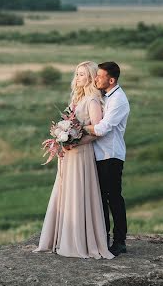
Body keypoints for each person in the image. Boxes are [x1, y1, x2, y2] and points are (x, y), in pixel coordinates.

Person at [34, 61, 114, 259]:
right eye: (76, 74)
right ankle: (60, 237)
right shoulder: (76, 99)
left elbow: (97, 131)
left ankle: (77, 241)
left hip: (81, 155)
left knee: (78, 193)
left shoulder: (93, 101)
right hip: (68, 155)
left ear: (90, 78)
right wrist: (62, 135)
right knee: (65, 192)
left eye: (81, 75)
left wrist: (75, 142)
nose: (77, 78)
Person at [85, 61, 130, 256]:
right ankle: (103, 239)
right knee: (101, 198)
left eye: (100, 76)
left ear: (111, 80)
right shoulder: (105, 96)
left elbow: (102, 129)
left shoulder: (119, 99)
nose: (96, 78)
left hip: (111, 155)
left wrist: (76, 129)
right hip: (99, 154)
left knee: (114, 198)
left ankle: (119, 241)